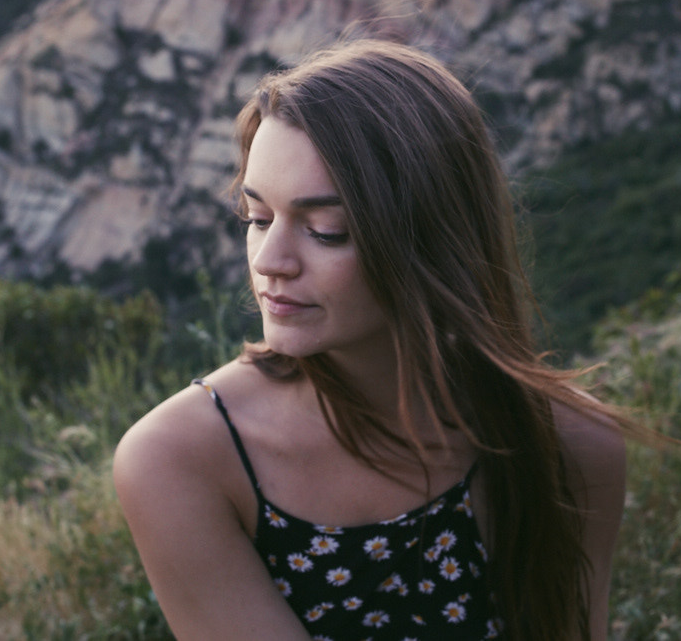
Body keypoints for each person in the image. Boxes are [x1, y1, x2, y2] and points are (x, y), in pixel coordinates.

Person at [113, 38, 627, 641]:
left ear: (432, 237)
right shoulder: (182, 459)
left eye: (326, 231)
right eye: (257, 218)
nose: (270, 260)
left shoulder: (571, 445)